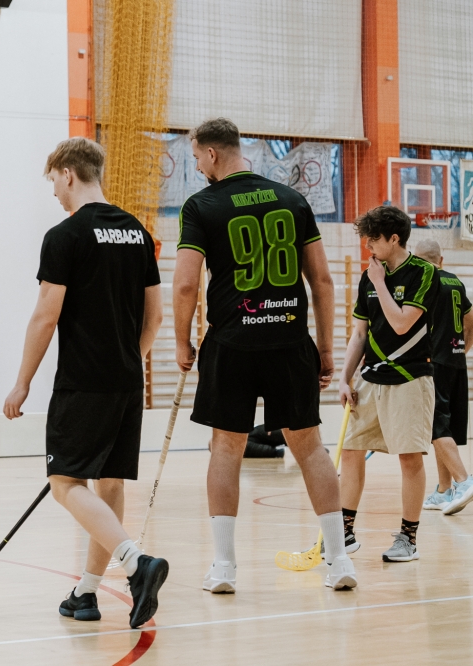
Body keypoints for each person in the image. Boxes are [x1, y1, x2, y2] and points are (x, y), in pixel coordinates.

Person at [175, 118, 357, 592]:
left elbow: (186, 284)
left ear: (212, 154)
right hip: (290, 342)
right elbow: (322, 280)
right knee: (310, 448)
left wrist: (181, 341)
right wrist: (325, 347)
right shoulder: (293, 200)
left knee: (225, 448)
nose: (198, 168)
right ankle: (339, 561)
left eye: (196, 158)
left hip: (231, 344)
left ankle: (223, 568)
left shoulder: (202, 205)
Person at [2, 136, 169, 629]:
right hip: (127, 380)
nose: (54, 191)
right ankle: (87, 592)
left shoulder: (65, 235)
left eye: (53, 181)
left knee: (65, 483)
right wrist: (129, 361)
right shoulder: (138, 233)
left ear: (68, 173)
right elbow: (155, 317)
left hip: (83, 382)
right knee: (108, 481)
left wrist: (22, 383)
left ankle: (136, 562)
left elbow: (45, 315)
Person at [338, 206, 439, 562]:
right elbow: (359, 334)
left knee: (409, 458)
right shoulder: (369, 276)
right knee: (351, 452)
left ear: (394, 239)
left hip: (410, 379)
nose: (367, 247)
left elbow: (401, 323)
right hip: (370, 379)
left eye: (373, 240)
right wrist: (345, 377)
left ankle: (408, 539)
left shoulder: (424, 273)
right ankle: (344, 533)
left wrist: (380, 282)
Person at [414, 239, 473, 514]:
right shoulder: (456, 282)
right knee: (444, 429)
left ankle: (463, 481)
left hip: (433, 363)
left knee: (436, 426)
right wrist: (462, 349)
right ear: (441, 259)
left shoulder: (424, 282)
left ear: (417, 260)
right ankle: (443, 490)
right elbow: (470, 320)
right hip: (456, 362)